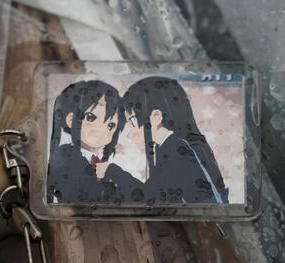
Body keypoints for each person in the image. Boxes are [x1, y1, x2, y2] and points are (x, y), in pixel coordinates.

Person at [97, 76, 228, 204]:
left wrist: (111, 171)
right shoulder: (168, 147)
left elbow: (147, 198)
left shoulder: (175, 149)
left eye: (133, 122)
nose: (130, 133)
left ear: (156, 117)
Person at [47, 80, 124, 203]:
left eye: (110, 125)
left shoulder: (98, 160)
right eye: (90, 117)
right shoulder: (66, 155)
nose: (101, 130)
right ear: (71, 120)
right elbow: (82, 194)